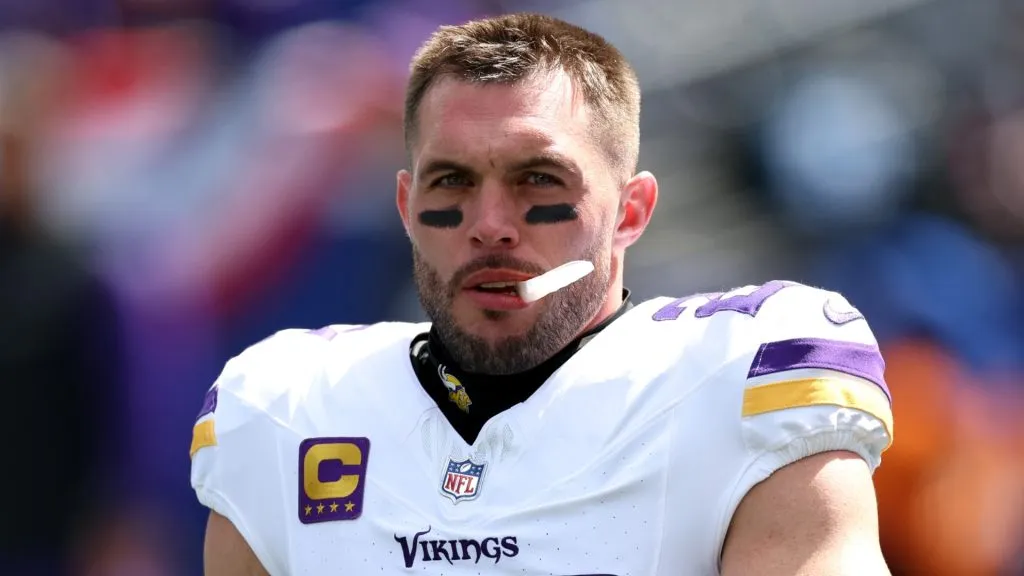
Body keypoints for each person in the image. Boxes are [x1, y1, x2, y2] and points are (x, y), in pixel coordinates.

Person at [190, 12, 894, 575]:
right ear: (406, 208)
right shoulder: (286, 406)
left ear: (630, 212)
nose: (489, 226)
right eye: (453, 182)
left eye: (539, 180)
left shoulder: (741, 373)